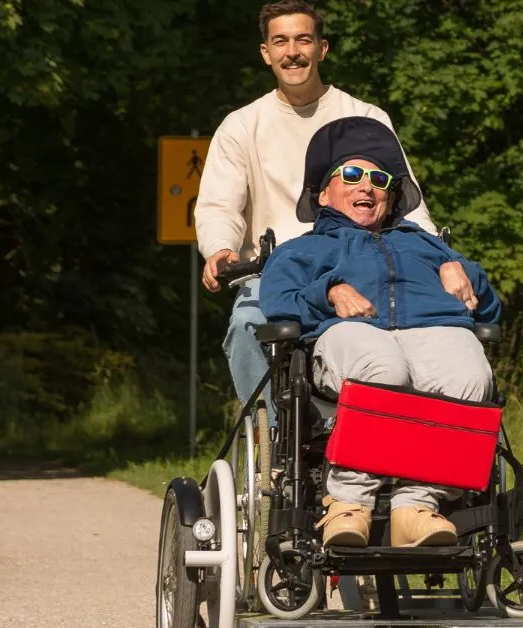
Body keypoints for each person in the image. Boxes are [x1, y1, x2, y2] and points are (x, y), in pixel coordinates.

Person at [193, 0, 477, 422]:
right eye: (281, 41)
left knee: (435, 324)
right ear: (266, 53)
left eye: (303, 40)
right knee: (246, 324)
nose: (292, 51)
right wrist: (220, 248)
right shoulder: (242, 125)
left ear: (321, 49)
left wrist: (445, 260)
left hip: (359, 259)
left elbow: (405, 206)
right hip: (276, 270)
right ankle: (275, 431)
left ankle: (411, 441)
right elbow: (220, 203)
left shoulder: (364, 118)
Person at [259, 116, 501, 548]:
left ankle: (417, 505)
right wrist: (329, 291)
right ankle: (348, 503)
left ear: (391, 195)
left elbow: (490, 307)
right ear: (325, 191)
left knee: (470, 376)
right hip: (348, 334)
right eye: (351, 174)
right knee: (382, 366)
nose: (366, 186)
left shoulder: (426, 245)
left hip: (433, 328)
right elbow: (277, 303)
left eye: (378, 178)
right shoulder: (304, 249)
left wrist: (459, 269)